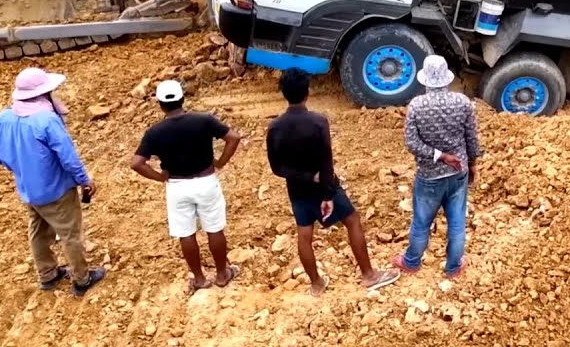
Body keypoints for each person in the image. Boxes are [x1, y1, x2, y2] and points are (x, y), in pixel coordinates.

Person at [267, 69, 399, 296]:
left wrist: (305, 177)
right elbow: (326, 162)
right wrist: (327, 194)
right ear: (307, 93)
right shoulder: (318, 122)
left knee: (304, 235)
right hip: (324, 187)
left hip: (297, 190)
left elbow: (276, 168)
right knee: (352, 221)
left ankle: (316, 283)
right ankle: (369, 275)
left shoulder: (274, 128)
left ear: (284, 94)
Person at [0, 68, 107, 297]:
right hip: (56, 191)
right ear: (43, 94)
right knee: (70, 234)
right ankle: (82, 278)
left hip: (28, 189)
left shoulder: (4, 117)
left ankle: (47, 274)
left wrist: (13, 164)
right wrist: (84, 180)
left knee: (38, 231)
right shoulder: (46, 120)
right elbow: (68, 157)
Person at [131, 80, 242, 292]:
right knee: (215, 229)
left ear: (160, 104)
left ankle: (199, 279)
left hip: (177, 186)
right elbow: (233, 138)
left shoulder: (155, 132)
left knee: (186, 233)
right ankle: (222, 274)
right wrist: (221, 162)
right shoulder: (204, 120)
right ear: (183, 98)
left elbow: (136, 163)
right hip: (206, 181)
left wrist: (159, 177)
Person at [395, 56, 481, 279]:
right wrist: (472, 164)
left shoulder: (416, 106)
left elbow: (411, 143)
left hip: (429, 176)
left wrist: (439, 156)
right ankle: (453, 267)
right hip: (458, 172)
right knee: (457, 222)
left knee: (421, 223)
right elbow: (471, 138)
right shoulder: (462, 102)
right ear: (446, 79)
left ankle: (412, 262)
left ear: (426, 80)